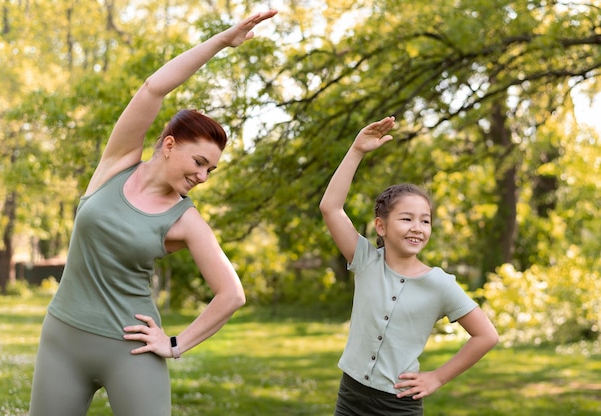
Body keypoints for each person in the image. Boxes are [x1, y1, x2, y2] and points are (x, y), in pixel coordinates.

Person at [29, 10, 278, 416]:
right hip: (62, 340)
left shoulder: (185, 220)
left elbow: (232, 294)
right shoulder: (116, 164)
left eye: (210, 170)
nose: (203, 176)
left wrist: (176, 344)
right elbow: (153, 88)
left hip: (132, 351)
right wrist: (221, 41)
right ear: (168, 144)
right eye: (198, 162)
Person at [319, 116, 499, 416]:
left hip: (398, 405)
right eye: (406, 218)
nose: (417, 227)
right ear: (381, 226)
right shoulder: (365, 261)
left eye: (425, 221)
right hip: (350, 396)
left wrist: (437, 377)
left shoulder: (440, 284)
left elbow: (486, 335)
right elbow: (331, 208)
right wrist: (356, 151)